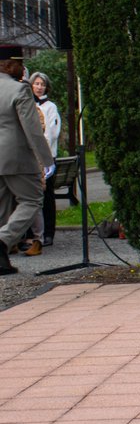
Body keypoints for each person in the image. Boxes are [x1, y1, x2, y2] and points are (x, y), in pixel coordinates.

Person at [0, 46, 54, 276]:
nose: (23, 68)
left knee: (1, 208)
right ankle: (2, 240)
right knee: (32, 200)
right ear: (10, 64)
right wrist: (46, 159)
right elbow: (32, 129)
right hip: (17, 157)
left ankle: (1, 262)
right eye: (20, 63)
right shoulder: (19, 90)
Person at [21, 71, 61, 254]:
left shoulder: (50, 106)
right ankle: (29, 234)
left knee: (47, 195)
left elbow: (51, 133)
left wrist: (41, 152)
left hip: (45, 155)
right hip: (29, 155)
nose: (39, 87)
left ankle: (48, 233)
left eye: (42, 84)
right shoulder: (27, 104)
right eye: (36, 83)